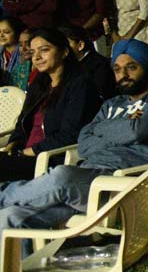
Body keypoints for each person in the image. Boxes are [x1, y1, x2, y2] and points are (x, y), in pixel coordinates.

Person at [0, 39, 148, 272]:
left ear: (147, 67)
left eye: (131, 67)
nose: (123, 74)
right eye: (117, 69)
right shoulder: (112, 104)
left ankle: (4, 194)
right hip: (87, 180)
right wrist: (121, 128)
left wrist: (106, 131)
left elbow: (137, 131)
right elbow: (84, 141)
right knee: (10, 217)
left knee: (61, 175)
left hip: (123, 184)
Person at [0, 28, 100, 182]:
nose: (37, 57)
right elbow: (22, 123)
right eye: (33, 52)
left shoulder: (80, 85)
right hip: (24, 155)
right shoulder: (39, 85)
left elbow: (71, 134)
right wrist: (13, 144)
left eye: (44, 50)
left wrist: (31, 151)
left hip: (51, 157)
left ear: (64, 52)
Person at [60, 25, 117, 101]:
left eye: (66, 44)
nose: (60, 49)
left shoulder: (98, 66)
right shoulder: (66, 67)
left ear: (80, 45)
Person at [0, 17, 24, 86]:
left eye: (6, 32)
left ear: (17, 33)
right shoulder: (1, 52)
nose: (1, 35)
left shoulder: (24, 53)